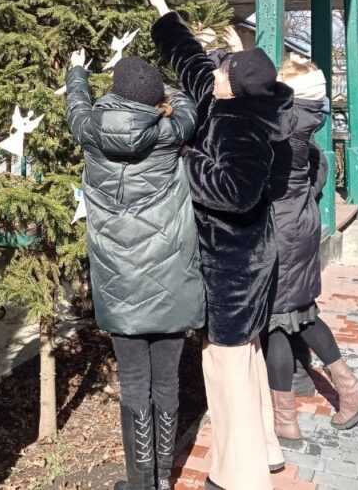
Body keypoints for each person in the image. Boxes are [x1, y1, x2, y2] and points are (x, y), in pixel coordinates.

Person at [143, 0, 292, 490]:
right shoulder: (227, 101)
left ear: (236, 86)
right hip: (244, 258)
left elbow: (236, 191)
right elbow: (191, 63)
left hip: (234, 265)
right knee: (245, 355)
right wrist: (164, 12)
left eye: (223, 68)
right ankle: (266, 449)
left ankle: (237, 475)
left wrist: (183, 161)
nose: (215, 69)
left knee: (225, 367)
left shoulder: (243, 127)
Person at [65, 50, 205, 490]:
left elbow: (75, 103)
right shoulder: (171, 132)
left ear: (115, 93)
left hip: (118, 281)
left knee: (134, 382)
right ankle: (163, 479)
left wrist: (77, 69)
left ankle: (140, 481)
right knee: (167, 381)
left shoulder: (89, 130)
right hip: (171, 279)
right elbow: (188, 105)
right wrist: (168, 94)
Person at [264, 60, 358, 446]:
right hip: (303, 225)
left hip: (280, 229)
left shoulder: (282, 125)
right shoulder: (310, 122)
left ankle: (285, 421)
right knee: (303, 311)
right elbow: (317, 177)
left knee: (275, 322)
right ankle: (350, 388)